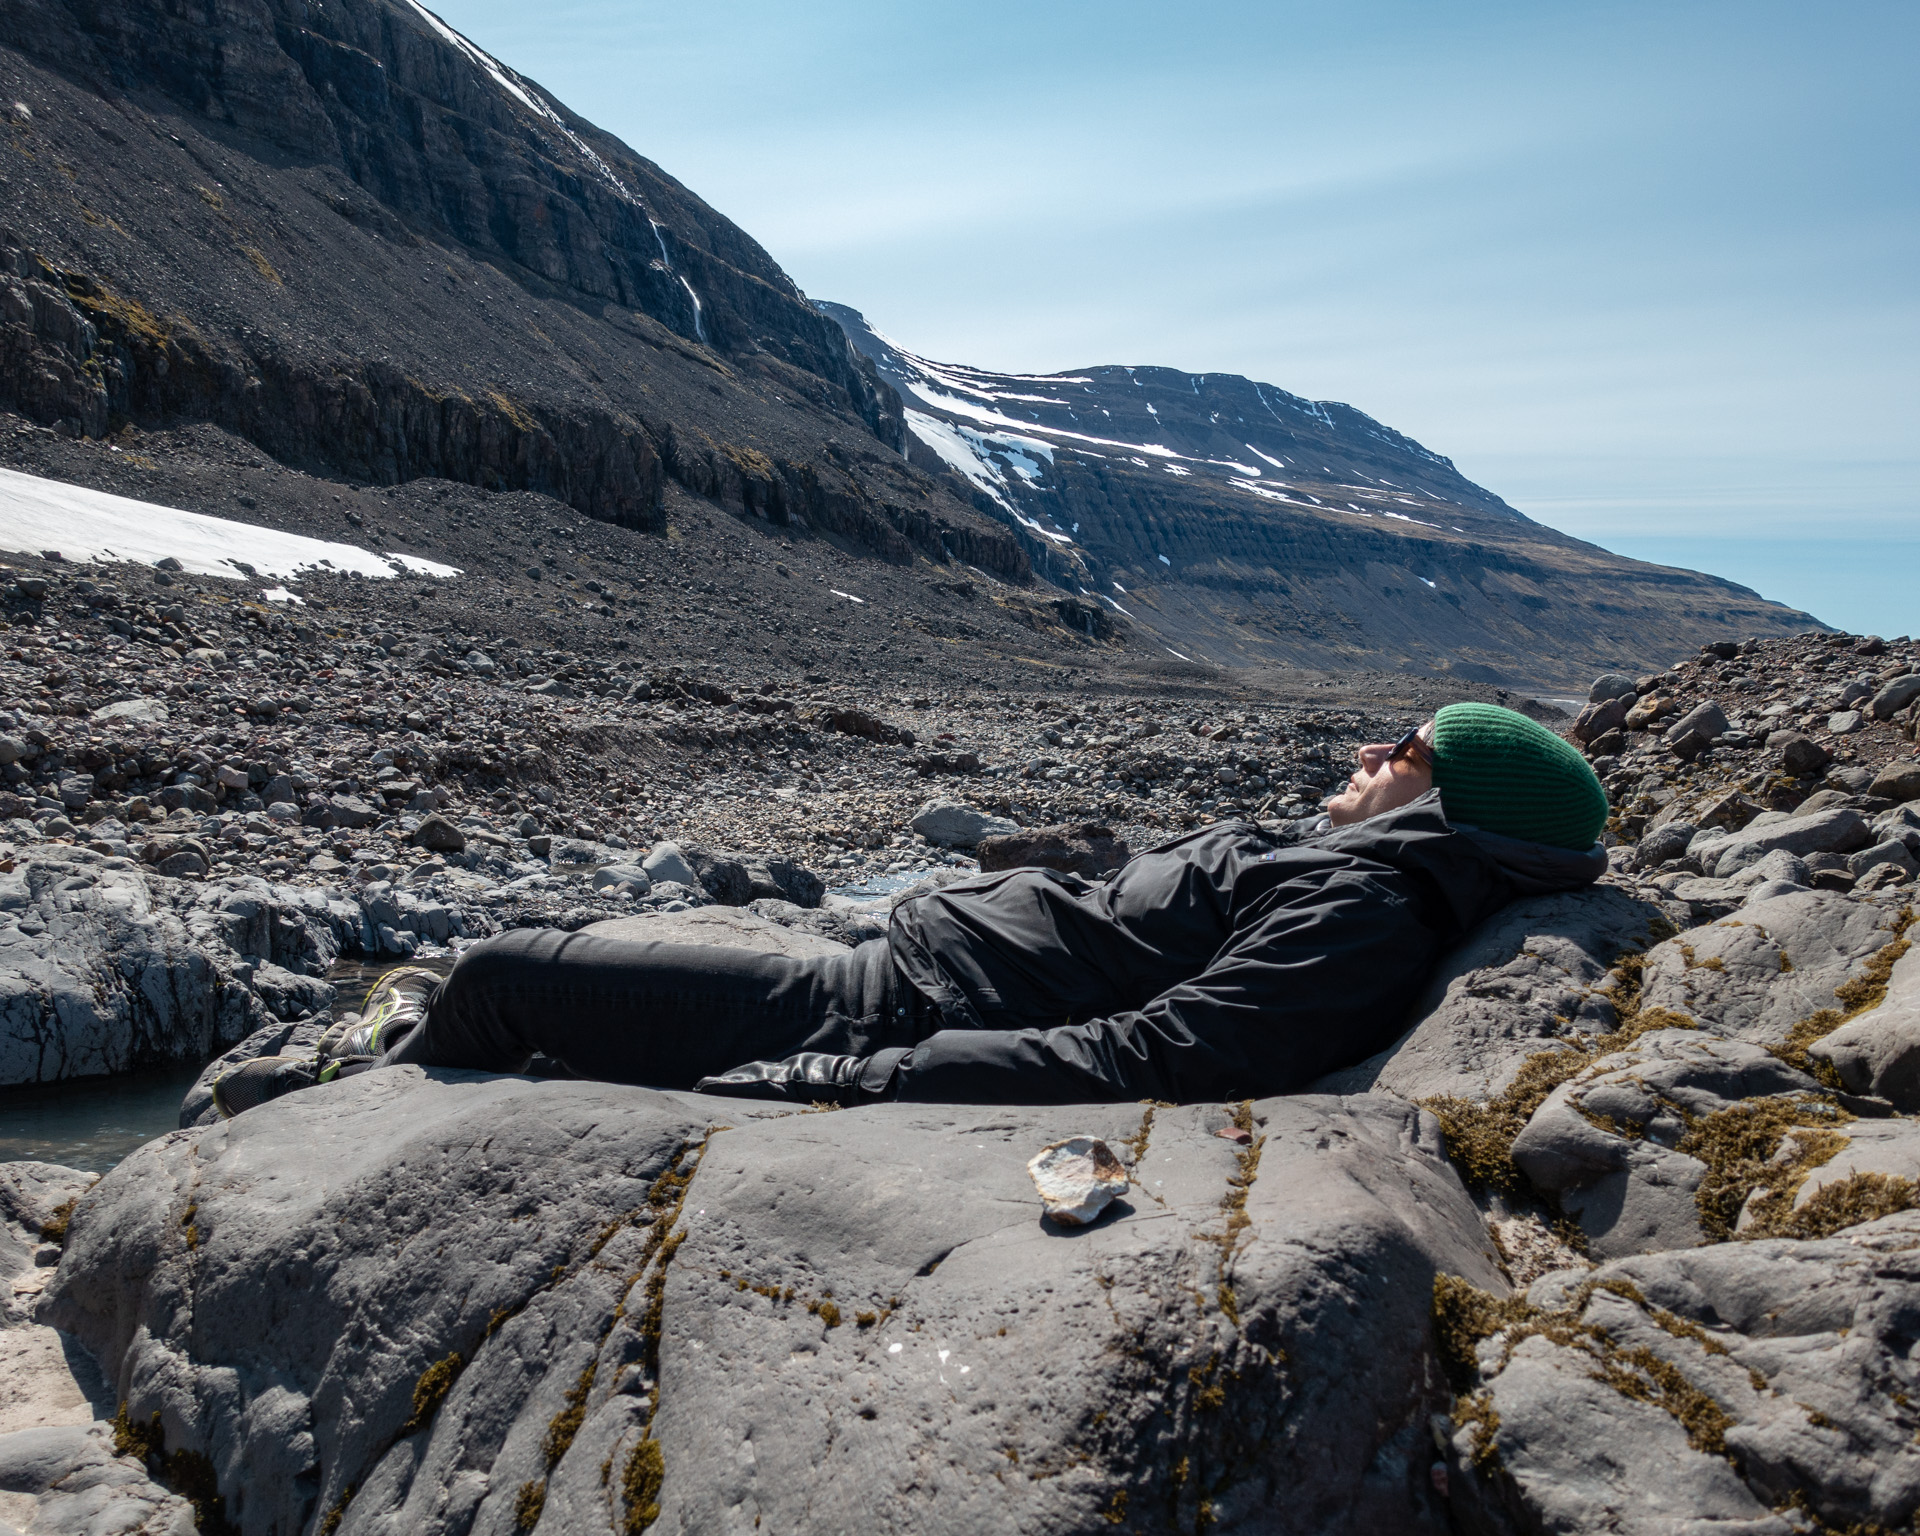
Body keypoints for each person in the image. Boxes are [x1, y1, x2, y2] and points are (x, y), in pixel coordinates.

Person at [213, 702, 1609, 1116]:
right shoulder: (1361, 876)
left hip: (880, 1010)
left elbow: (1164, 1056)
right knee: (565, 986)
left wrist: (859, 1076)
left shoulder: (1367, 910)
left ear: (1449, 805)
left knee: (507, 973)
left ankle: (359, 1090)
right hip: (894, 960)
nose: (1368, 753)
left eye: (1402, 751)